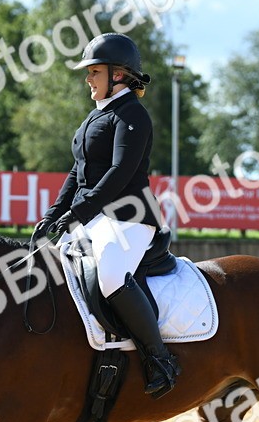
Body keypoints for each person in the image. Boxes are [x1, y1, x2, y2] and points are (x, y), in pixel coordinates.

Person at [35, 33, 180, 399]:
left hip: (128, 217)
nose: (88, 78)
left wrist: (78, 213)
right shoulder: (97, 116)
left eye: (94, 71)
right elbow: (77, 171)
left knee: (112, 274)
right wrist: (54, 214)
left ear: (118, 75)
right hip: (94, 216)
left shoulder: (133, 115)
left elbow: (119, 173)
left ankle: (159, 359)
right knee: (47, 268)